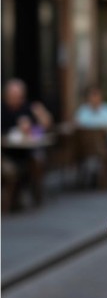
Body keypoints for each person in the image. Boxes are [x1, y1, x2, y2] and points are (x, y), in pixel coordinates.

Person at [1, 78, 53, 208]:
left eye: (19, 97)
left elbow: (44, 127)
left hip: (26, 151)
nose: (16, 100)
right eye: (13, 96)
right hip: (5, 154)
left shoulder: (27, 108)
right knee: (10, 170)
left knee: (38, 162)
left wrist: (41, 113)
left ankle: (35, 195)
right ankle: (10, 201)